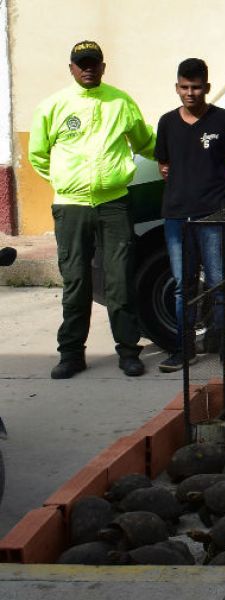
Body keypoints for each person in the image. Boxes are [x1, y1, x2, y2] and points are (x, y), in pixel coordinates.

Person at [28, 40, 156, 379]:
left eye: (93, 63)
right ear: (70, 67)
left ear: (103, 66)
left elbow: (146, 142)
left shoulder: (121, 102)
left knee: (120, 282)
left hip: (114, 204)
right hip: (71, 207)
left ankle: (129, 351)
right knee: (76, 282)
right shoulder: (53, 106)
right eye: (81, 63)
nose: (87, 69)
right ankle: (71, 353)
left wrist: (181, 156)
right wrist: (64, 181)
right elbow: (38, 156)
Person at [154, 58, 225, 373]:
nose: (190, 93)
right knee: (183, 285)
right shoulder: (166, 123)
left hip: (215, 214)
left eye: (196, 87)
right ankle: (183, 349)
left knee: (220, 281)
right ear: (176, 87)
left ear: (207, 87)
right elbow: (163, 166)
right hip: (177, 216)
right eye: (184, 87)